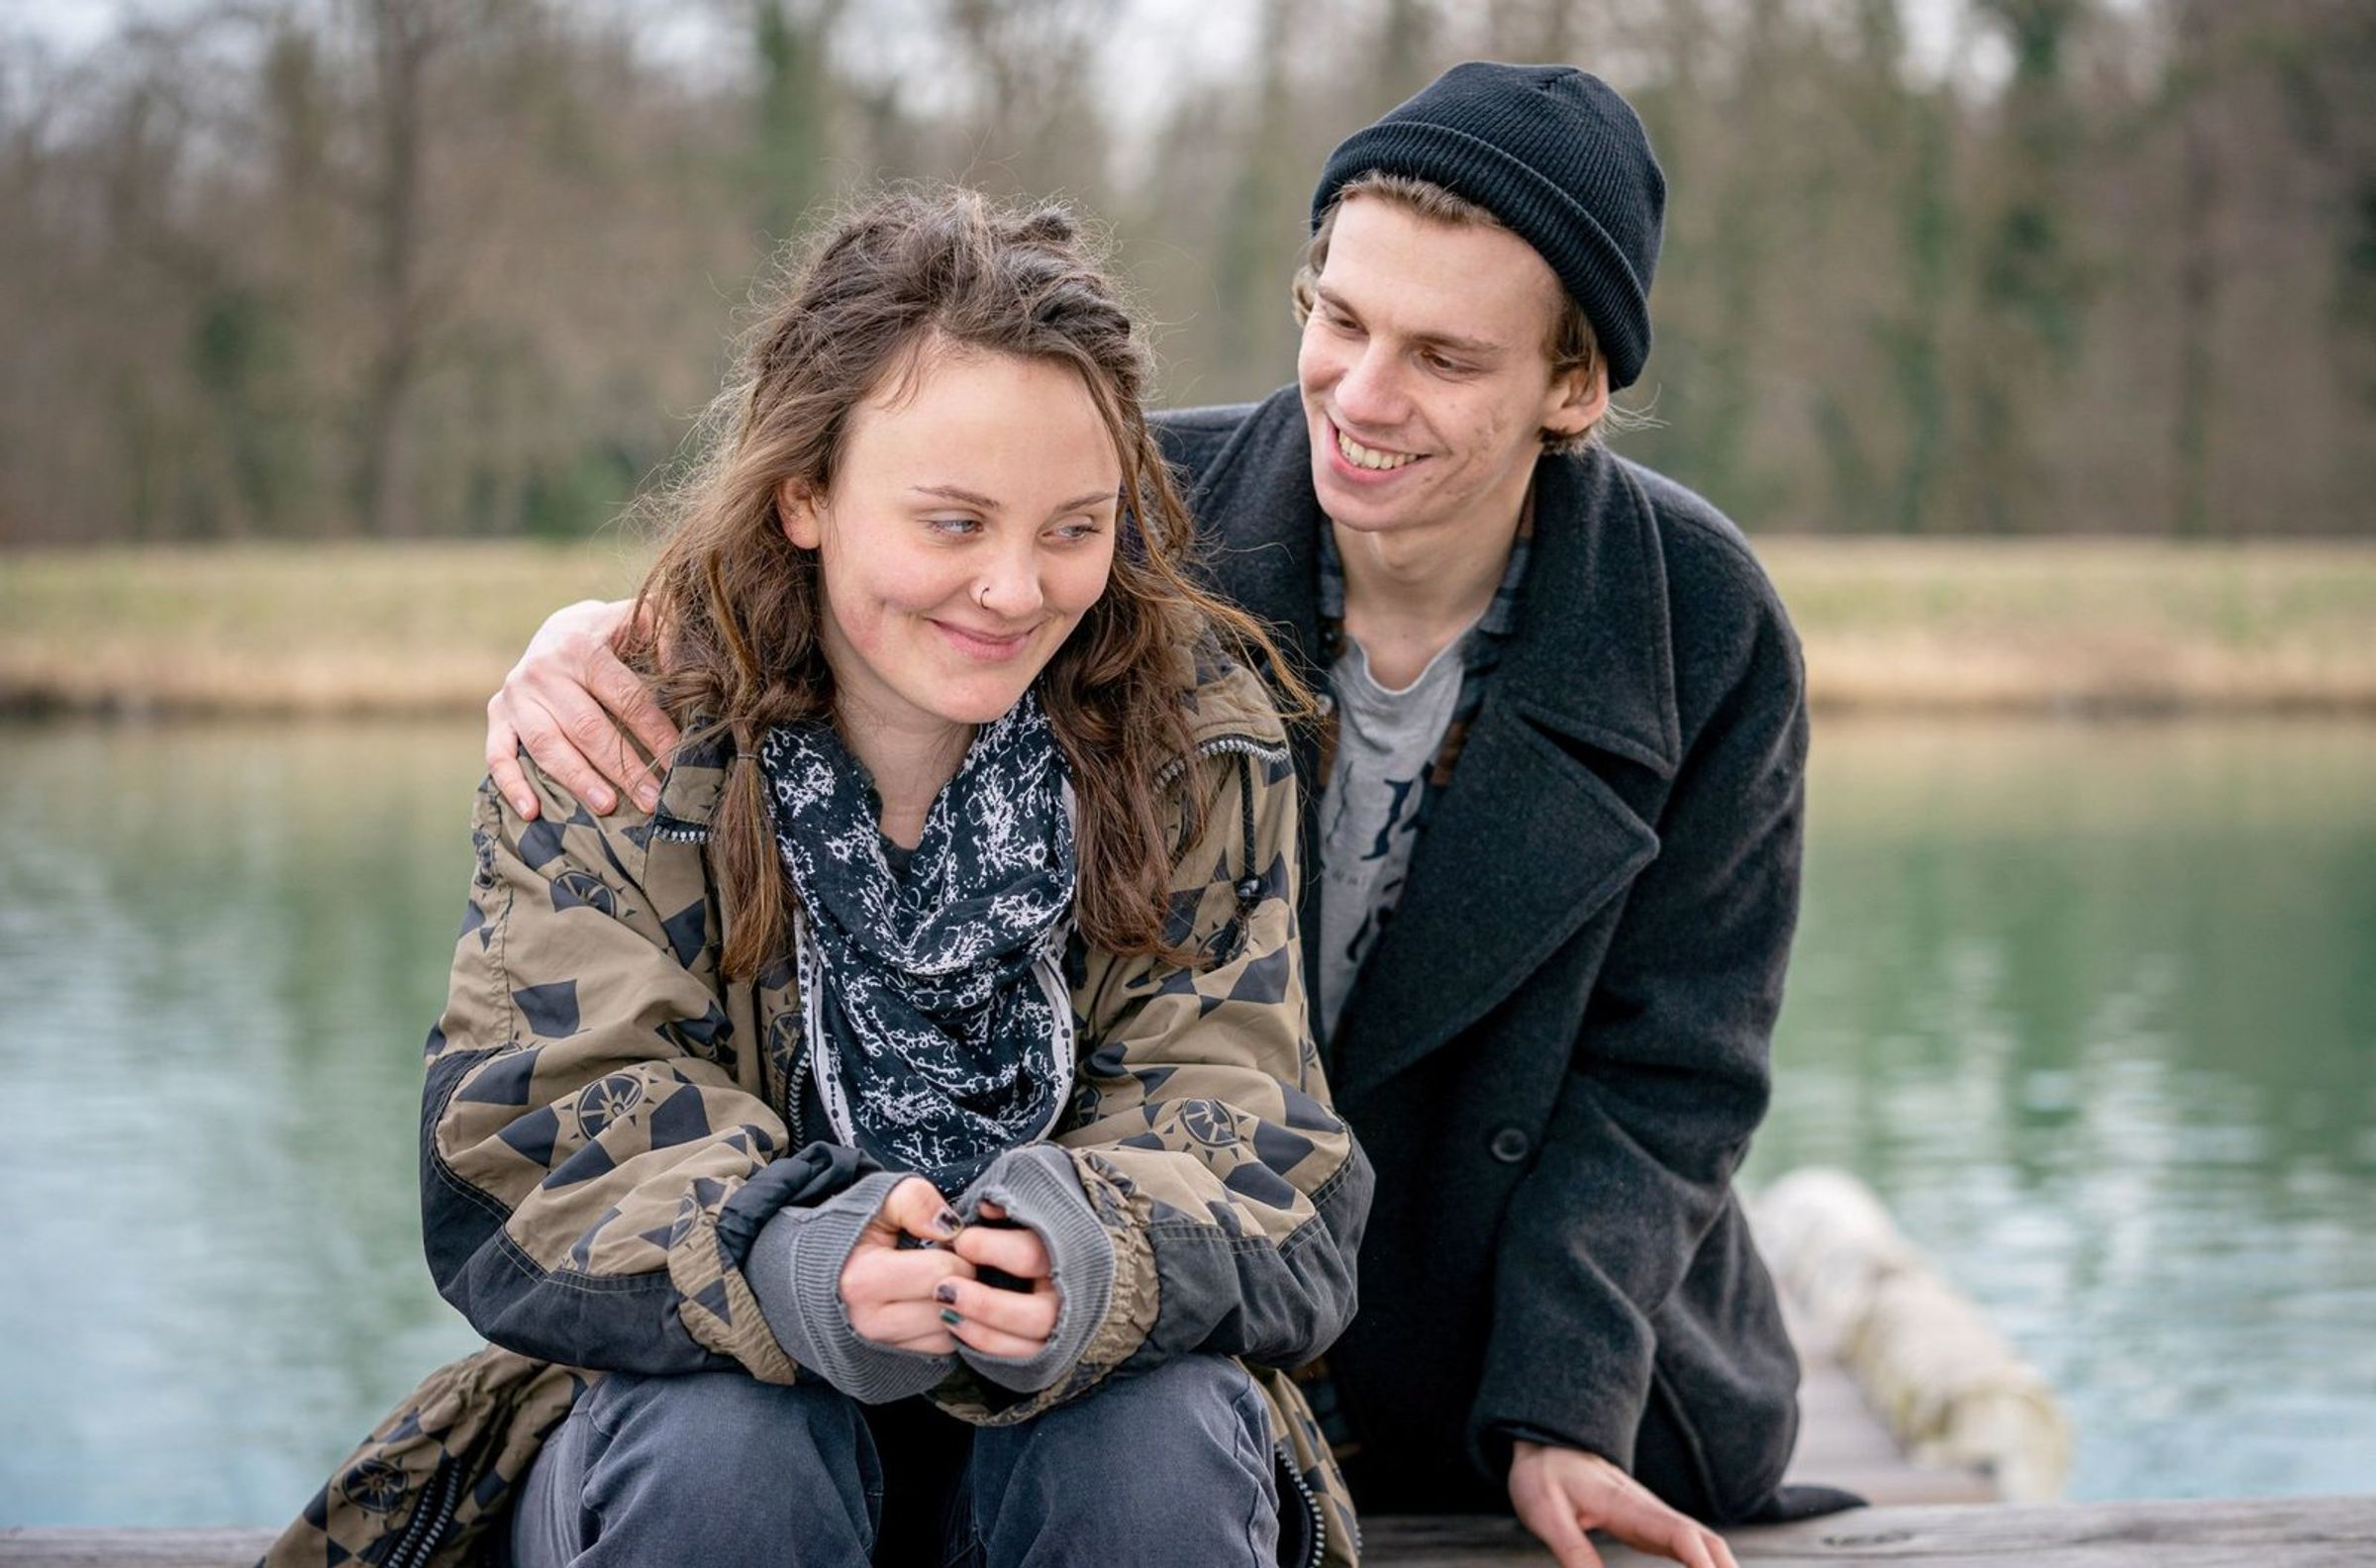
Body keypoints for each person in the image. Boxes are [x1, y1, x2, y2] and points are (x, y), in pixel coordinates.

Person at [489, 64, 1864, 1568]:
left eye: (1445, 356)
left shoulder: (1698, 623)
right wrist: (616, 634)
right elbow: (858, 551)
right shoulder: (1125, 522)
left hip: (1449, 1332)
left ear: (1574, 387)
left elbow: (1671, 1070)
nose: (1363, 393)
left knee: (1164, 1467)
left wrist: (1569, 1398)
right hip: (1071, 1335)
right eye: (1339, 319)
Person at [261, 188, 1372, 1568]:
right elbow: (533, 1129)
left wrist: (1092, 1252)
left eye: (1073, 528)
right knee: (728, 1448)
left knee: (1160, 1443)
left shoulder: (1195, 742)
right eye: (953, 523)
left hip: (1062, 1441)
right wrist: (788, 1251)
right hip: (681, 1441)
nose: (1016, 589)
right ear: (806, 495)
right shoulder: (621, 733)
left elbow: (1257, 1128)